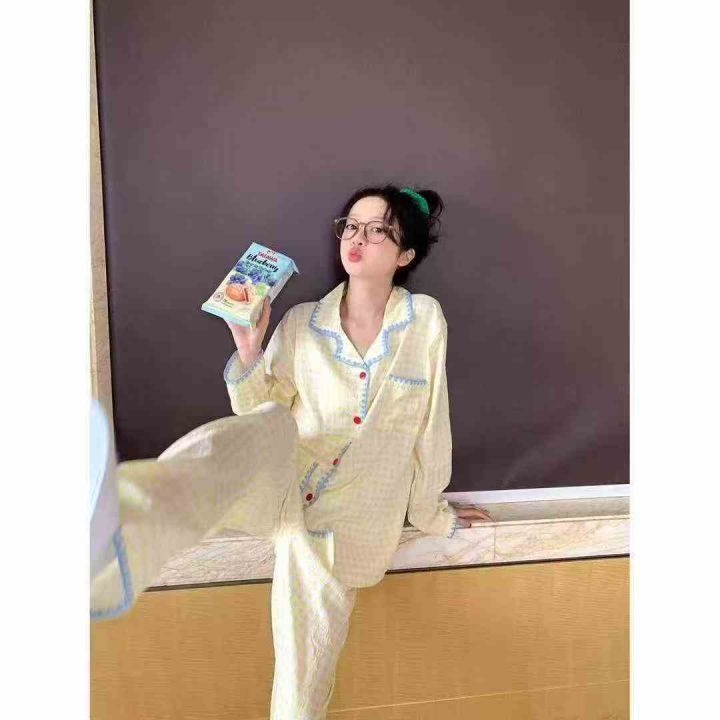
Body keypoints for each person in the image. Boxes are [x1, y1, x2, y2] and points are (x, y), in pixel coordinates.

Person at [221, 184, 492, 719]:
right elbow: (260, 416)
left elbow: (431, 425)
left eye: (377, 230)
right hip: (299, 512)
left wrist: (434, 515)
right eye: (350, 225)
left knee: (311, 667)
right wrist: (249, 350)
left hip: (368, 519)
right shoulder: (302, 323)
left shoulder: (424, 321)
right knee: (301, 670)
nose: (357, 238)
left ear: (405, 255)